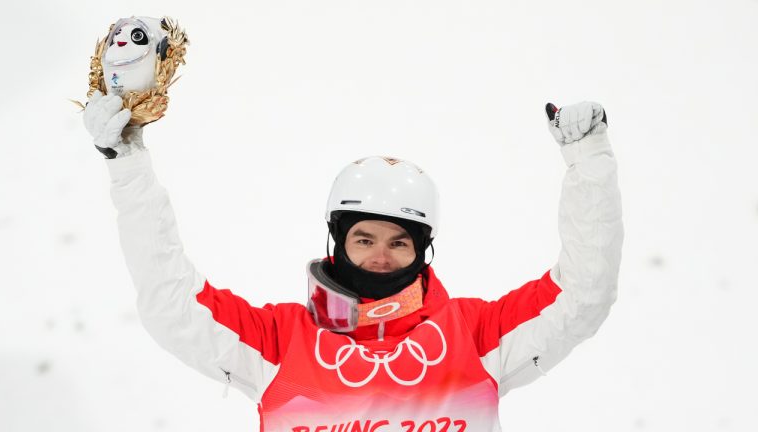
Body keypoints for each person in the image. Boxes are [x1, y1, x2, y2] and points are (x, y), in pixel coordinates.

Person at [84, 93, 622, 431]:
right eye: (364, 239)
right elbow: (173, 306)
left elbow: (582, 294)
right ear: (337, 244)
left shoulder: (474, 334)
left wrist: (589, 162)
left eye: (400, 241)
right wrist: (128, 167)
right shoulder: (278, 341)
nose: (381, 257)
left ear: (423, 251)